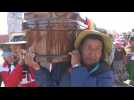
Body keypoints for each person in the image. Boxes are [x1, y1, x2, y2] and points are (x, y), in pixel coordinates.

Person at [31, 30, 114, 87]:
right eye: (88, 47)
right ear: (80, 49)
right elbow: (50, 84)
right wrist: (37, 67)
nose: (92, 53)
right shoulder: (63, 65)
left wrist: (77, 67)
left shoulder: (105, 73)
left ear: (102, 53)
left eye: (97, 49)